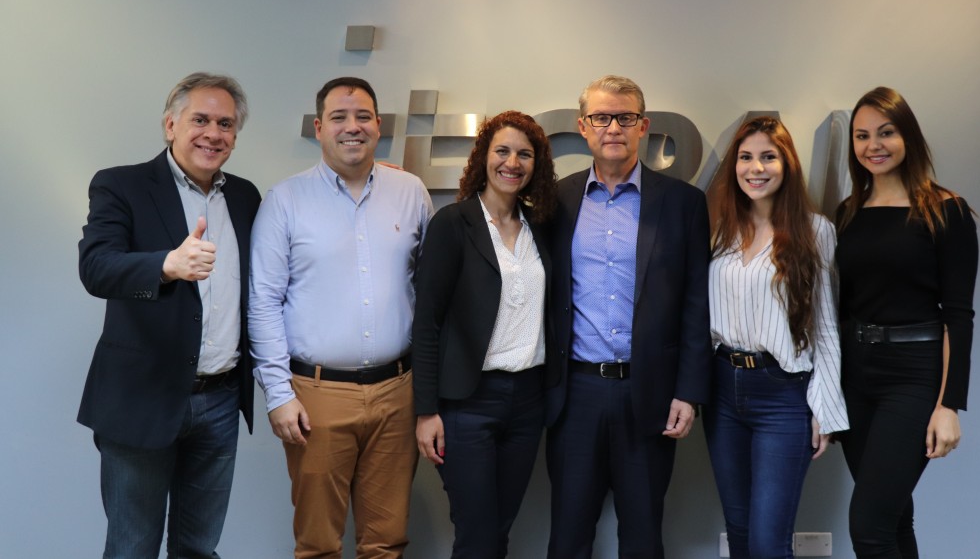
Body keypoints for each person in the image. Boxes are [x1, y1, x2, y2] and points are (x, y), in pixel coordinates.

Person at [248, 76, 433, 559]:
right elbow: (264, 302)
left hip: (398, 391)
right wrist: (278, 395)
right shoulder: (285, 200)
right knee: (318, 544)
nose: (353, 127)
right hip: (315, 396)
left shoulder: (410, 192)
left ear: (378, 125)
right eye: (339, 117)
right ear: (318, 127)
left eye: (363, 116)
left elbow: (430, 292)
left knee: (386, 542)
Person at [78, 72, 261, 558]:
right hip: (143, 395)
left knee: (199, 548)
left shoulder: (245, 197)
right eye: (200, 119)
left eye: (225, 124)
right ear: (170, 125)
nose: (213, 133)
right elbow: (96, 268)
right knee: (132, 547)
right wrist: (165, 264)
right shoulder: (121, 185)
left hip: (219, 400)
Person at [544, 75, 712, 559]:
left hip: (652, 393)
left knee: (642, 537)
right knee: (568, 535)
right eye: (601, 117)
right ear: (583, 126)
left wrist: (688, 392)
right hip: (575, 394)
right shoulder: (556, 200)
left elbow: (697, 304)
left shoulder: (683, 204)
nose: (612, 127)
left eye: (625, 117)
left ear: (644, 126)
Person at [835, 87, 978, 558]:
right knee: (895, 519)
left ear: (908, 137)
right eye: (862, 136)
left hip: (914, 377)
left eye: (886, 132)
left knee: (869, 525)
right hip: (855, 377)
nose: (873, 144)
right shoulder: (848, 213)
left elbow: (958, 315)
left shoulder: (946, 211)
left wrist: (949, 405)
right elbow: (840, 306)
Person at [412, 110, 558, 558]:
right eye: (502, 151)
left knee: (499, 529)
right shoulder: (453, 224)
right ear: (483, 157)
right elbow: (426, 323)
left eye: (524, 154)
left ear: (535, 165)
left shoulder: (541, 228)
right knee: (476, 533)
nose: (512, 162)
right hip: (467, 403)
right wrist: (426, 411)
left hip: (527, 401)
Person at [704, 116, 848, 559]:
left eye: (768, 157)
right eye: (746, 157)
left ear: (786, 165)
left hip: (783, 396)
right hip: (722, 391)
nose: (756, 168)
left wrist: (824, 408)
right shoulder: (718, 230)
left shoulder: (814, 230)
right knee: (741, 533)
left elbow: (825, 325)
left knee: (769, 543)